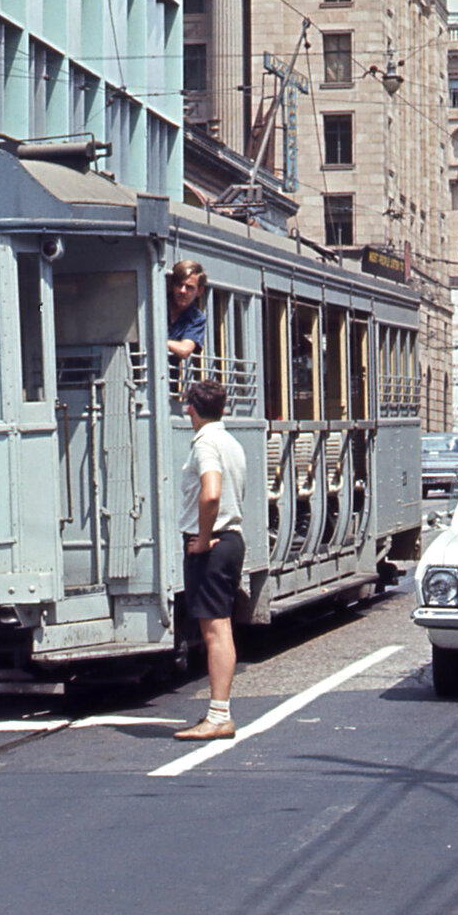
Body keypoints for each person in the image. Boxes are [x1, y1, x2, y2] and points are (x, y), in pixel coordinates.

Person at [174, 379, 247, 742]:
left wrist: (202, 541)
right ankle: (219, 713)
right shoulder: (230, 442)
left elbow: (211, 493)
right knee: (222, 628)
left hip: (213, 546)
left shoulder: (205, 443)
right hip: (232, 541)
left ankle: (219, 717)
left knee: (215, 631)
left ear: (191, 409)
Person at [167, 260, 207, 363]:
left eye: (189, 287)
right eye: (179, 285)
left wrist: (157, 341)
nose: (182, 291)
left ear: (200, 291)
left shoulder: (196, 318)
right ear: (172, 285)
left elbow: (185, 350)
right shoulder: (157, 305)